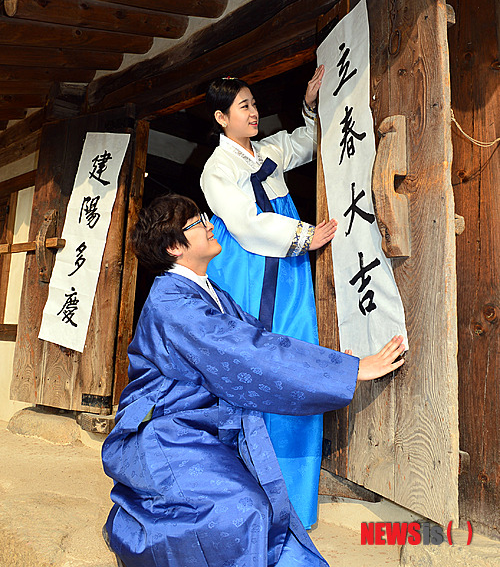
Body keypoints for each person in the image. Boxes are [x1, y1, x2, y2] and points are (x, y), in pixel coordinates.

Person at [101, 193, 405, 567]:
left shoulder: (211, 294)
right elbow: (250, 353)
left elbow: (262, 339)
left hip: (201, 429)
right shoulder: (173, 303)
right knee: (245, 511)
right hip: (167, 433)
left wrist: (335, 361)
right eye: (197, 224)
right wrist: (351, 370)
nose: (211, 226)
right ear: (173, 247)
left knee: (272, 514)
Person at [200, 68, 336, 528]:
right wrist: (305, 236)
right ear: (222, 118)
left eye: (254, 103)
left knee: (295, 355)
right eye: (243, 106)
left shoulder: (267, 151)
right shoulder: (217, 168)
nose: (253, 112)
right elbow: (244, 222)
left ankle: (293, 494)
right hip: (249, 263)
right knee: (250, 361)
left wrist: (311, 103)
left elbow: (307, 141)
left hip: (289, 259)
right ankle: (244, 492)